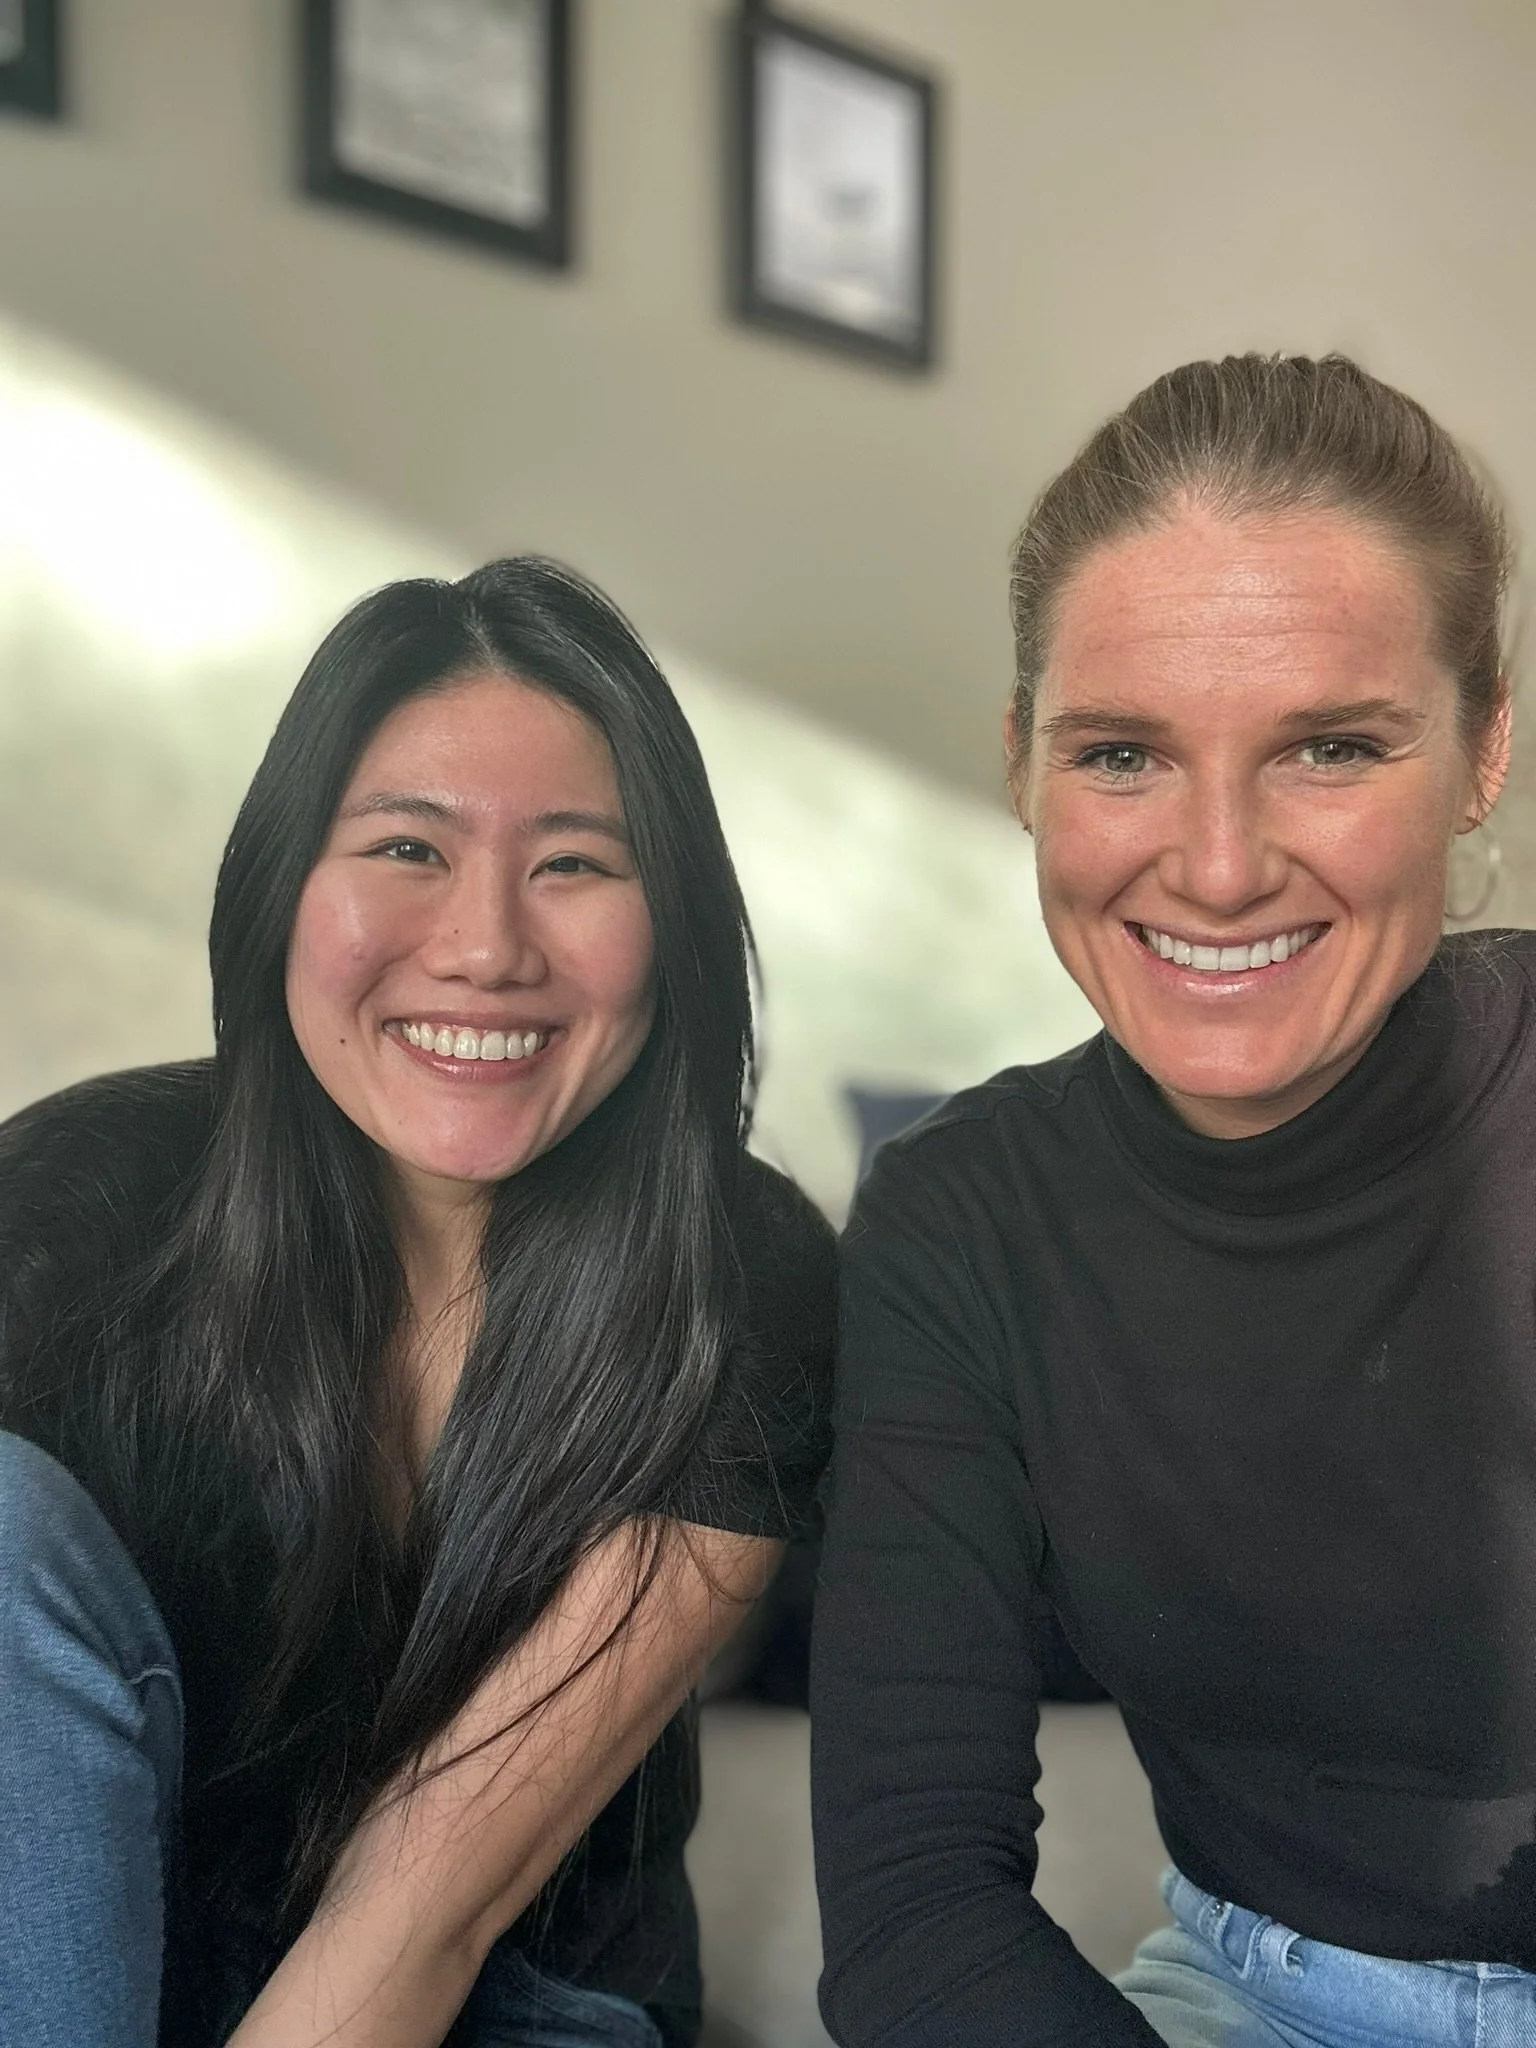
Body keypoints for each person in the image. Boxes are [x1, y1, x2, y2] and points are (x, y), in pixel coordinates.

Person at [0, 557, 836, 2048]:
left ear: (675, 929)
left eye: (575, 863)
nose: (486, 947)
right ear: (283, 894)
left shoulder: (741, 1270)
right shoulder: (79, 1193)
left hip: (515, 1989)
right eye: (406, 847)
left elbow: (430, 1906)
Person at [811, 353, 1536, 2047]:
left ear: (1484, 749)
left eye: (1331, 748)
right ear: (1020, 768)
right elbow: (918, 1905)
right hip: (1251, 1992)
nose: (1216, 867)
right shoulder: (959, 1223)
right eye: (1123, 754)